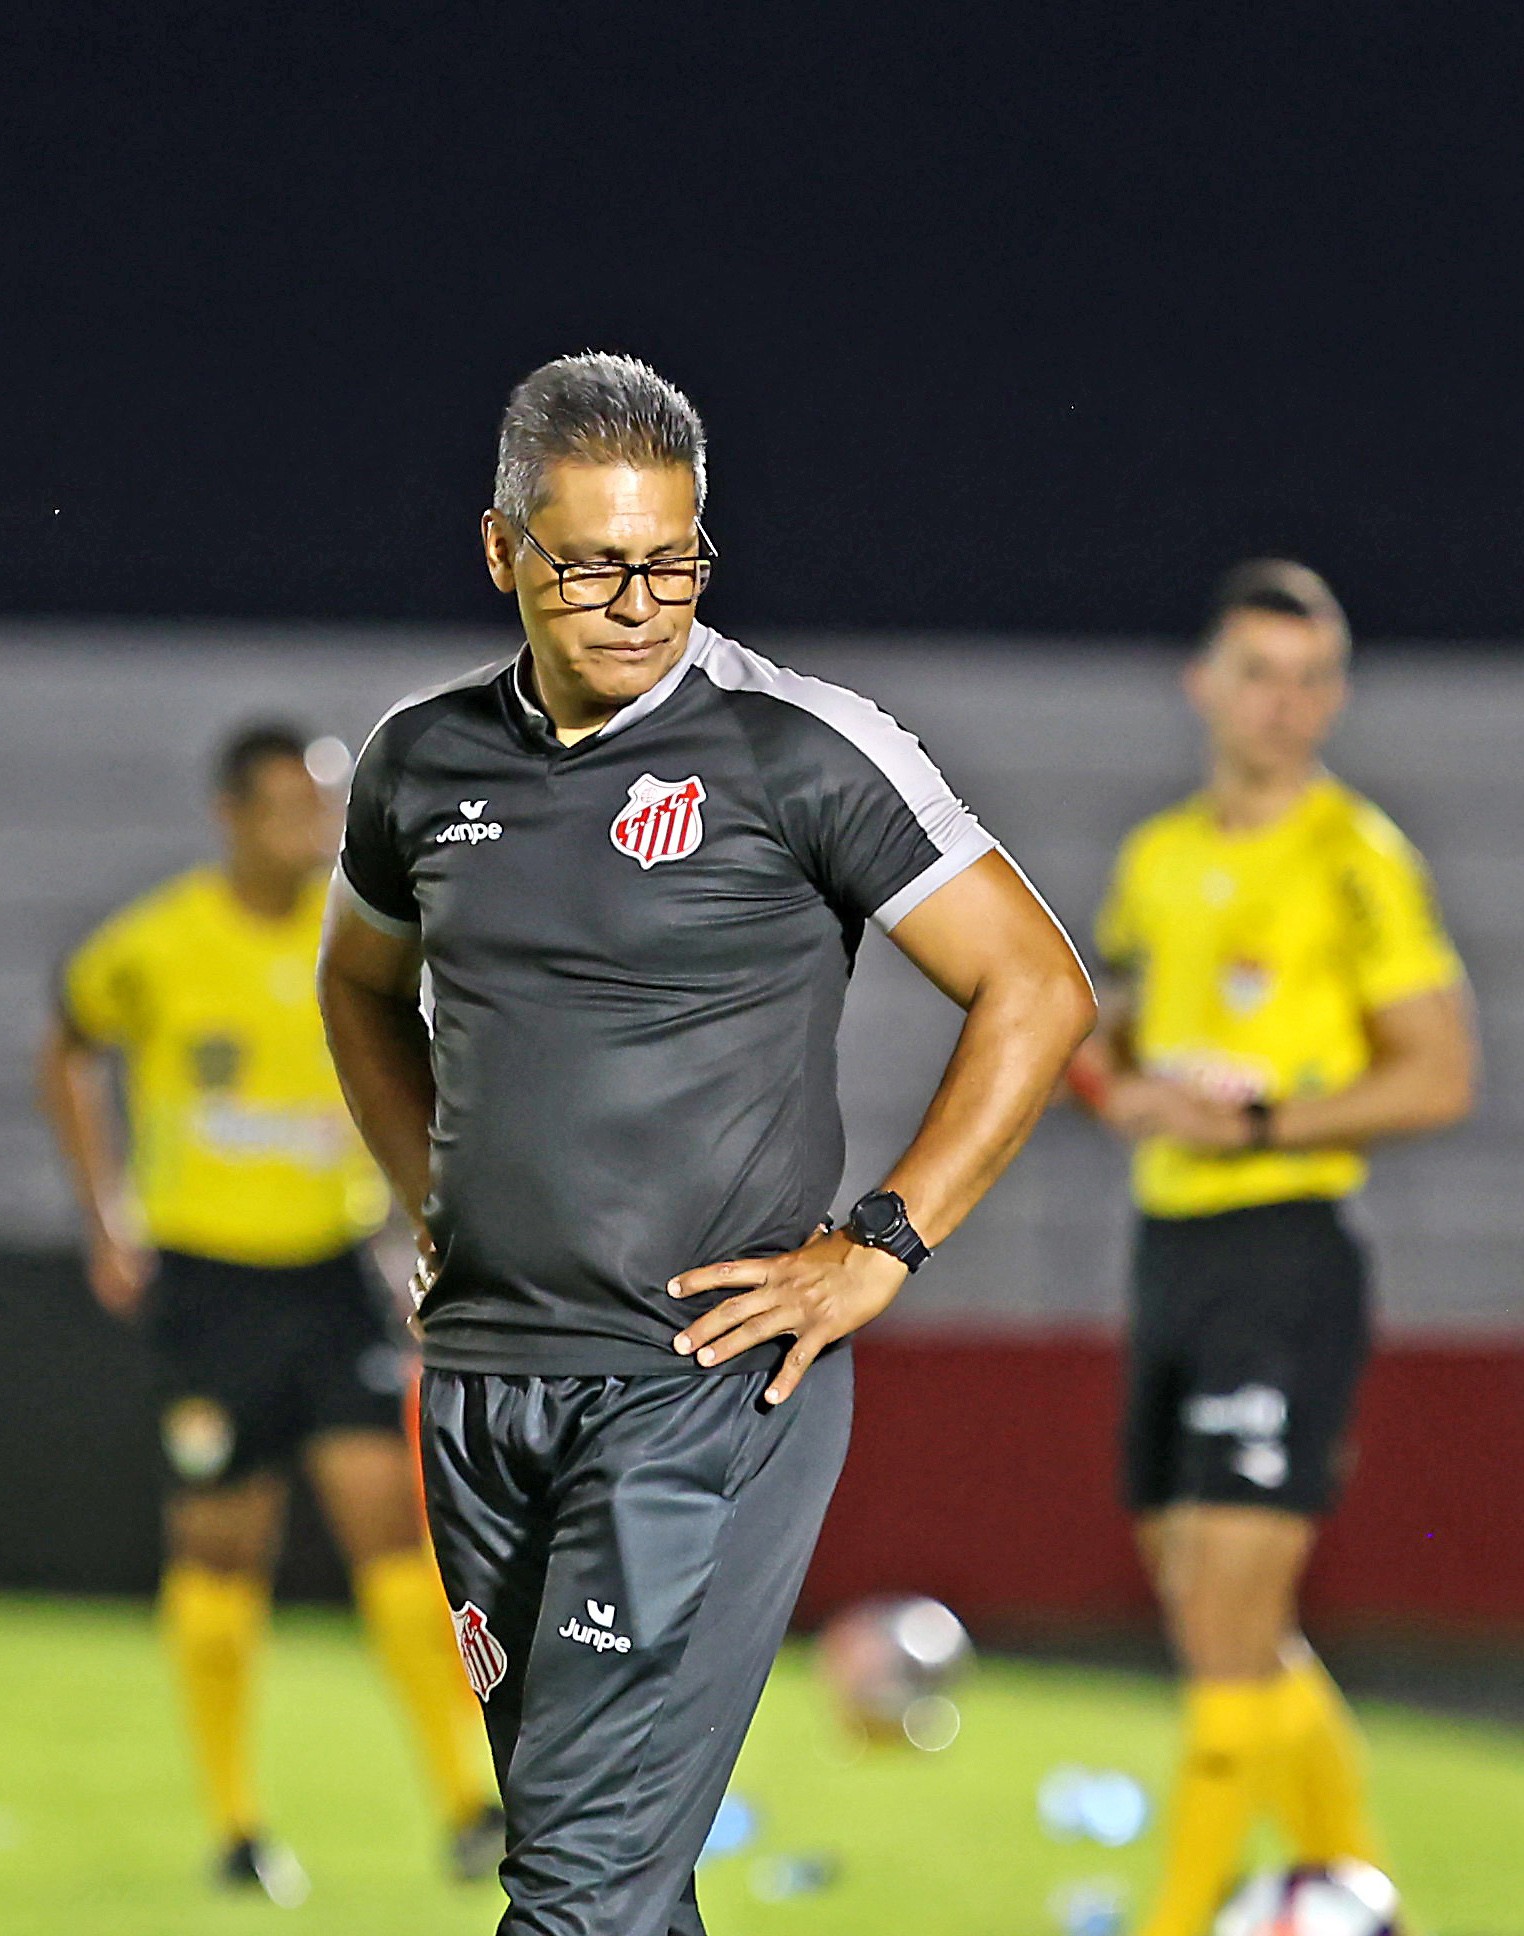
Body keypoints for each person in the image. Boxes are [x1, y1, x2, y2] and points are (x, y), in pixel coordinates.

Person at [317, 350, 1096, 1936]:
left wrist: (881, 1240)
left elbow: (1035, 986)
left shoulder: (797, 750)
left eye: (670, 561)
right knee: (615, 1871)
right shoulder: (420, 763)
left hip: (702, 1391)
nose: (636, 600)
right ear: (500, 552)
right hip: (478, 1392)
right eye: (594, 562)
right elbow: (355, 985)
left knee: (573, 1895)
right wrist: (428, 1195)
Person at [1071, 561, 1477, 1935]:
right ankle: (1361, 1887)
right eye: (1261, 673)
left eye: (1312, 679)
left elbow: (1439, 1074)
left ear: (1336, 695)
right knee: (1208, 1609)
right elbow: (1109, 1027)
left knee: (1230, 1627)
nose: (1287, 704)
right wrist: (1108, 1077)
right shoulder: (1158, 857)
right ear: (1206, 685)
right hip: (1171, 1252)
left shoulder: (1354, 857)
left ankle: (1181, 1918)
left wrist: (1265, 1121)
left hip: (1288, 1245)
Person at [39, 722, 505, 1903]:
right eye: (293, 807)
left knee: (390, 1533)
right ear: (231, 815)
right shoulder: (157, 942)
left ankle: (467, 1805)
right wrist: (105, 1214)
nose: (317, 829)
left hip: (328, 1273)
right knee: (221, 1546)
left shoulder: (355, 939)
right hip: (205, 1285)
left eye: (328, 806)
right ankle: (237, 1825)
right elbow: (69, 1046)